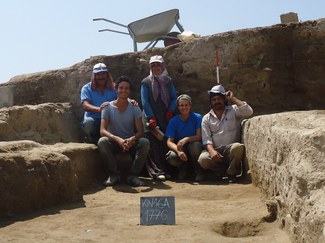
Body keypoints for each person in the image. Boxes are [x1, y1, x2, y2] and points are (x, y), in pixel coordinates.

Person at [97, 76, 150, 187]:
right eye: (121, 88)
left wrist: (131, 139)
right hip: (114, 142)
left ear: (129, 91)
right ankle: (113, 175)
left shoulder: (134, 108)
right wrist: (117, 139)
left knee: (144, 142)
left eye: (126, 88)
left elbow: (141, 131)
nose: (123, 90)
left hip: (130, 143)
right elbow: (102, 130)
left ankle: (133, 176)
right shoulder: (108, 108)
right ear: (116, 89)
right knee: (102, 141)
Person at [198, 84, 253, 183]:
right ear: (211, 102)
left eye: (219, 99)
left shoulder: (234, 110)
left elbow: (249, 112)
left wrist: (233, 99)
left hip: (230, 150)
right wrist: (212, 151)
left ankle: (231, 173)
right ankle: (220, 172)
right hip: (216, 151)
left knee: (238, 147)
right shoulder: (206, 118)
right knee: (203, 159)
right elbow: (206, 139)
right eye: (214, 100)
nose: (217, 102)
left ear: (224, 99)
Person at [140, 55, 177, 181]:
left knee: (164, 143)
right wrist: (150, 117)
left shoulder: (168, 81)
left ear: (162, 66)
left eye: (158, 65)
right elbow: (145, 101)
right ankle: (156, 171)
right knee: (152, 144)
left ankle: (166, 170)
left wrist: (171, 110)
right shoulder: (146, 82)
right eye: (153, 65)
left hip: (165, 116)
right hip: (151, 117)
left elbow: (173, 97)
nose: (156, 68)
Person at [165, 94, 205, 182]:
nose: (184, 108)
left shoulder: (197, 117)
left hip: (192, 145)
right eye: (181, 105)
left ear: (190, 106)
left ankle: (198, 170)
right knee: (170, 156)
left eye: (186, 105)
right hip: (181, 147)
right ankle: (183, 168)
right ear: (178, 108)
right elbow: (169, 141)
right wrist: (178, 151)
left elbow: (199, 136)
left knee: (196, 146)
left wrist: (186, 139)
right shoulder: (173, 121)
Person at [80, 63, 117, 144]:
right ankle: (91, 142)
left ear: (107, 75)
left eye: (103, 74)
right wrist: (100, 109)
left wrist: (130, 101)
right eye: (98, 74)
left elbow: (122, 99)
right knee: (88, 123)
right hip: (94, 119)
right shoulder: (86, 88)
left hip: (109, 120)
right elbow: (85, 105)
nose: (101, 77)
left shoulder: (114, 88)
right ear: (94, 76)